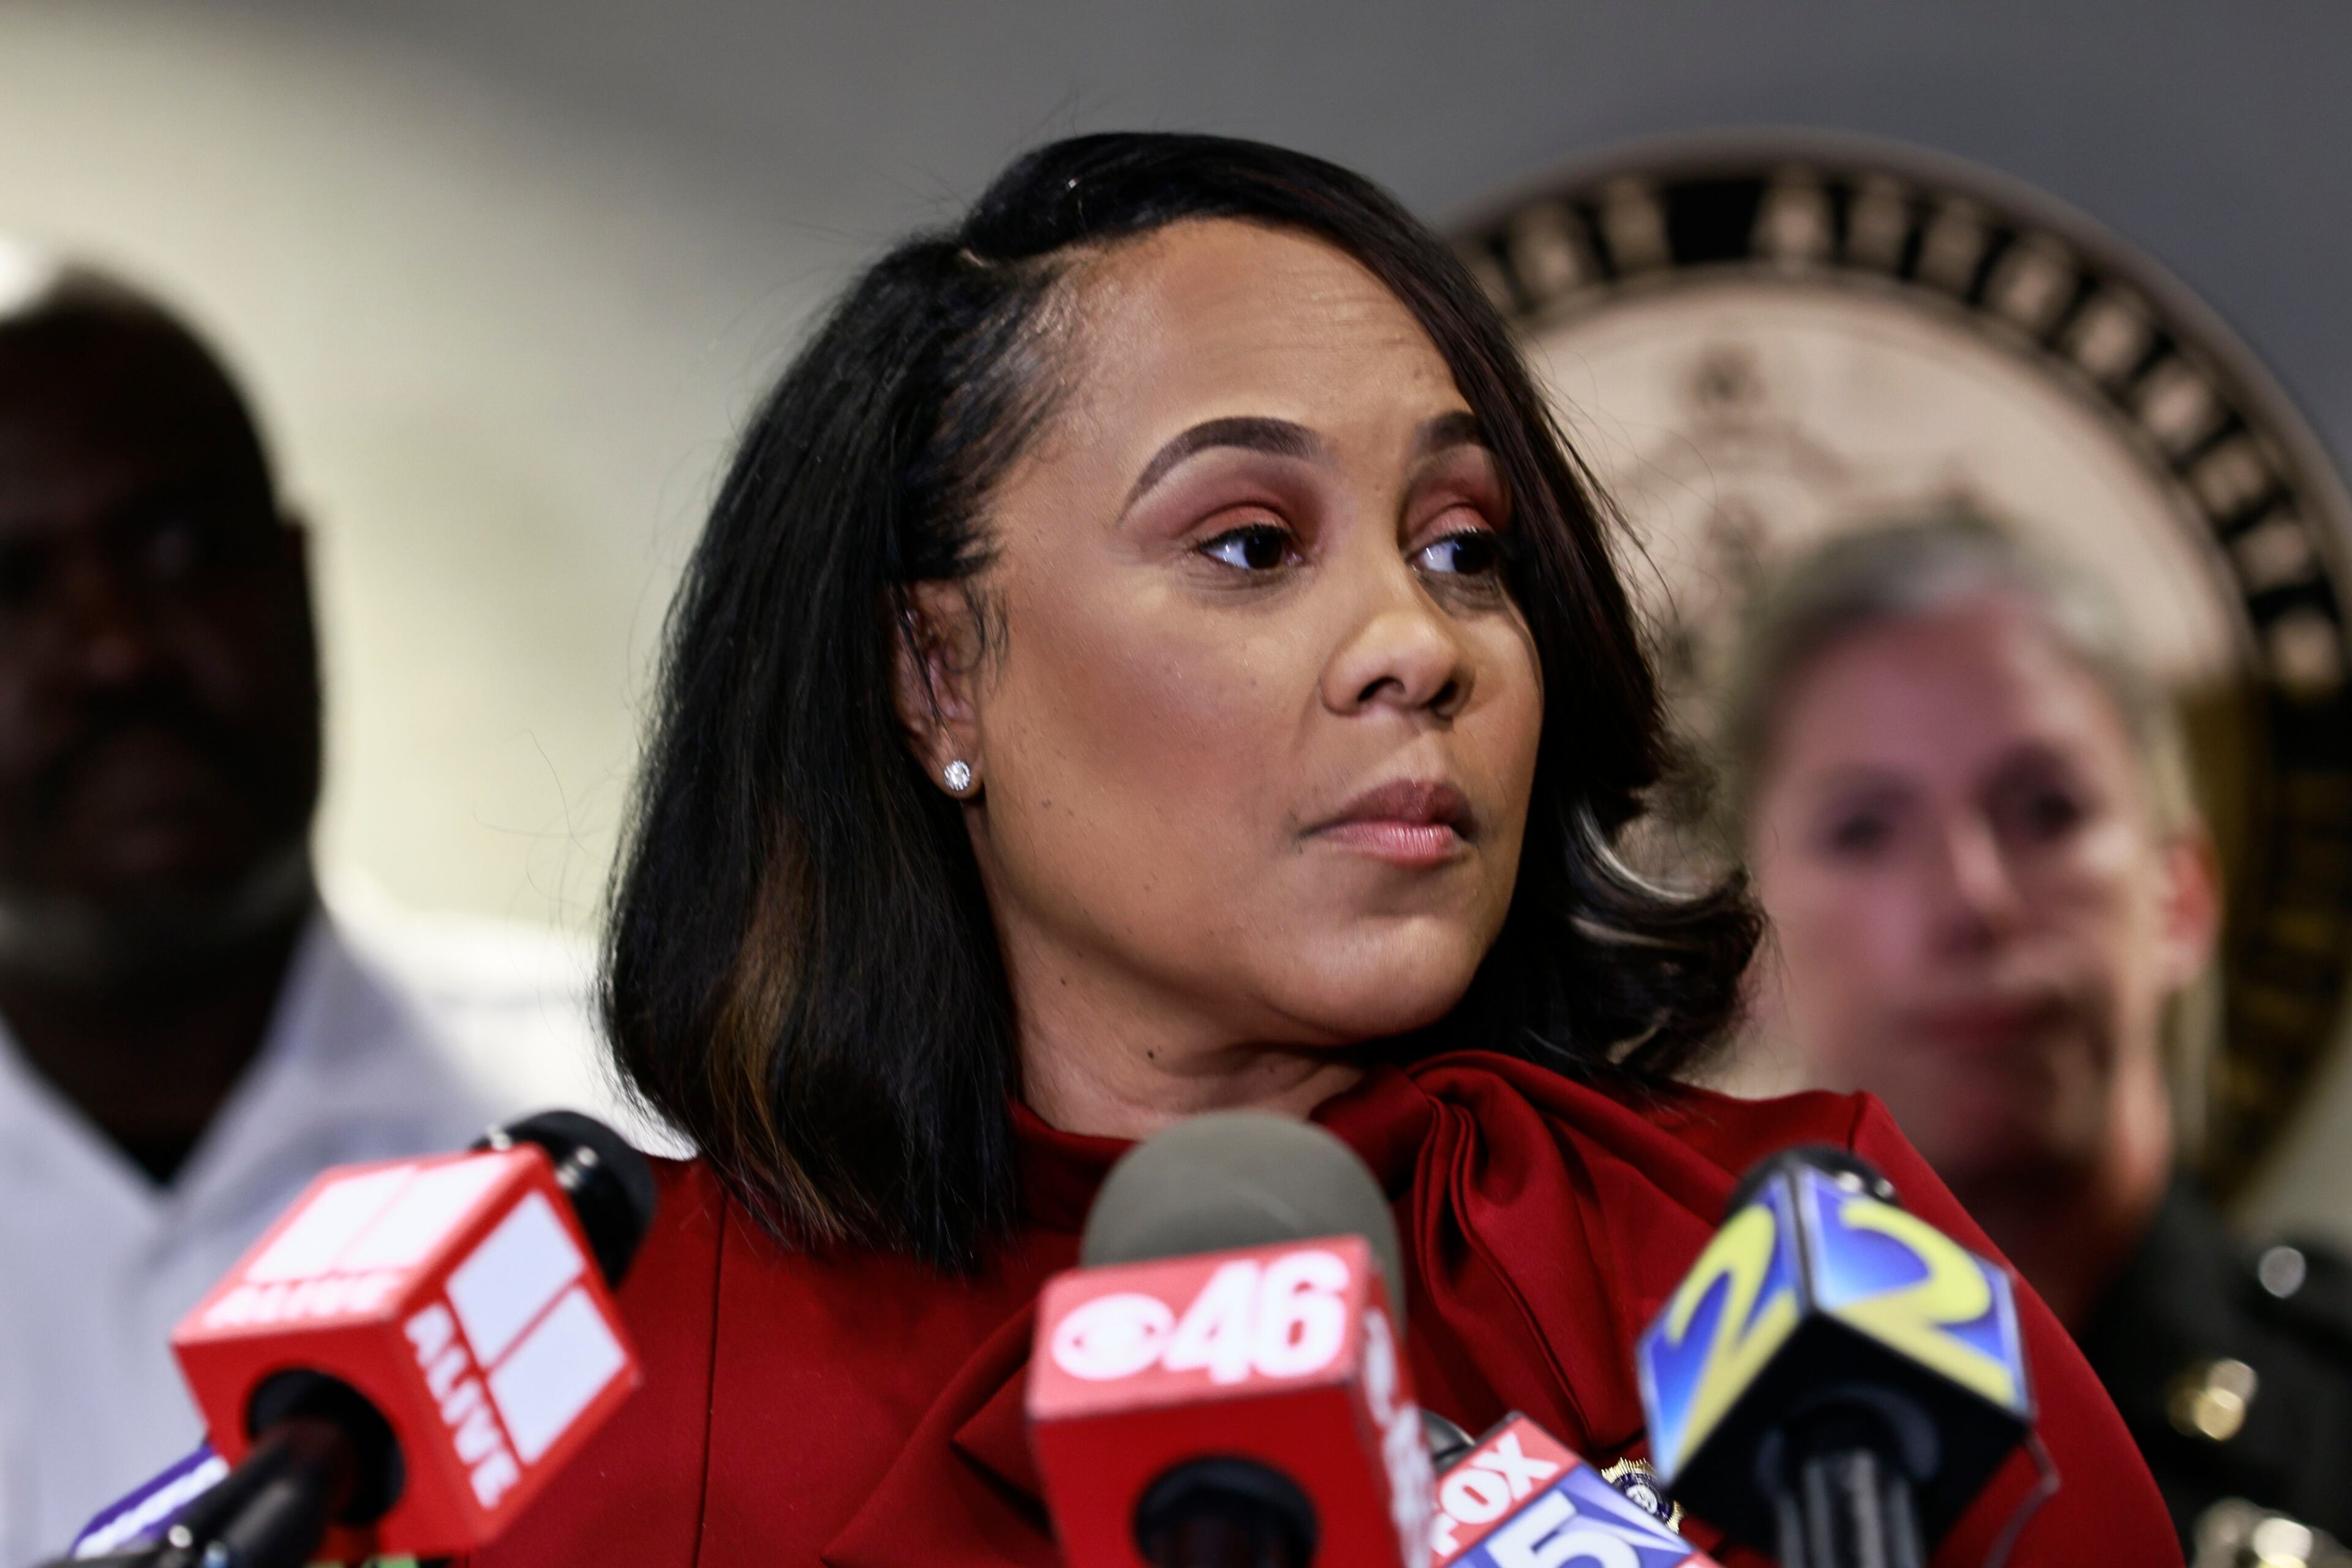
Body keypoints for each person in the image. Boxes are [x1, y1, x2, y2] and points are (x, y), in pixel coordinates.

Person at [469, 135, 2178, 1568]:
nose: (1416, 644)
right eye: (1249, 544)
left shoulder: (1783, 1257)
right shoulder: (589, 1369)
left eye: (1464, 549)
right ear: (936, 675)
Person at [0, 255, 571, 1567]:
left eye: (180, 550)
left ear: (299, 582)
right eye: (10, 583)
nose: (117, 649)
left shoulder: (650, 1120)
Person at [1722, 511, 2352, 1551]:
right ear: (1751, 948)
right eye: (1865, 829)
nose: (1971, 898)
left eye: (2047, 810)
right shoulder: (1644, 1488)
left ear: (2181, 898)